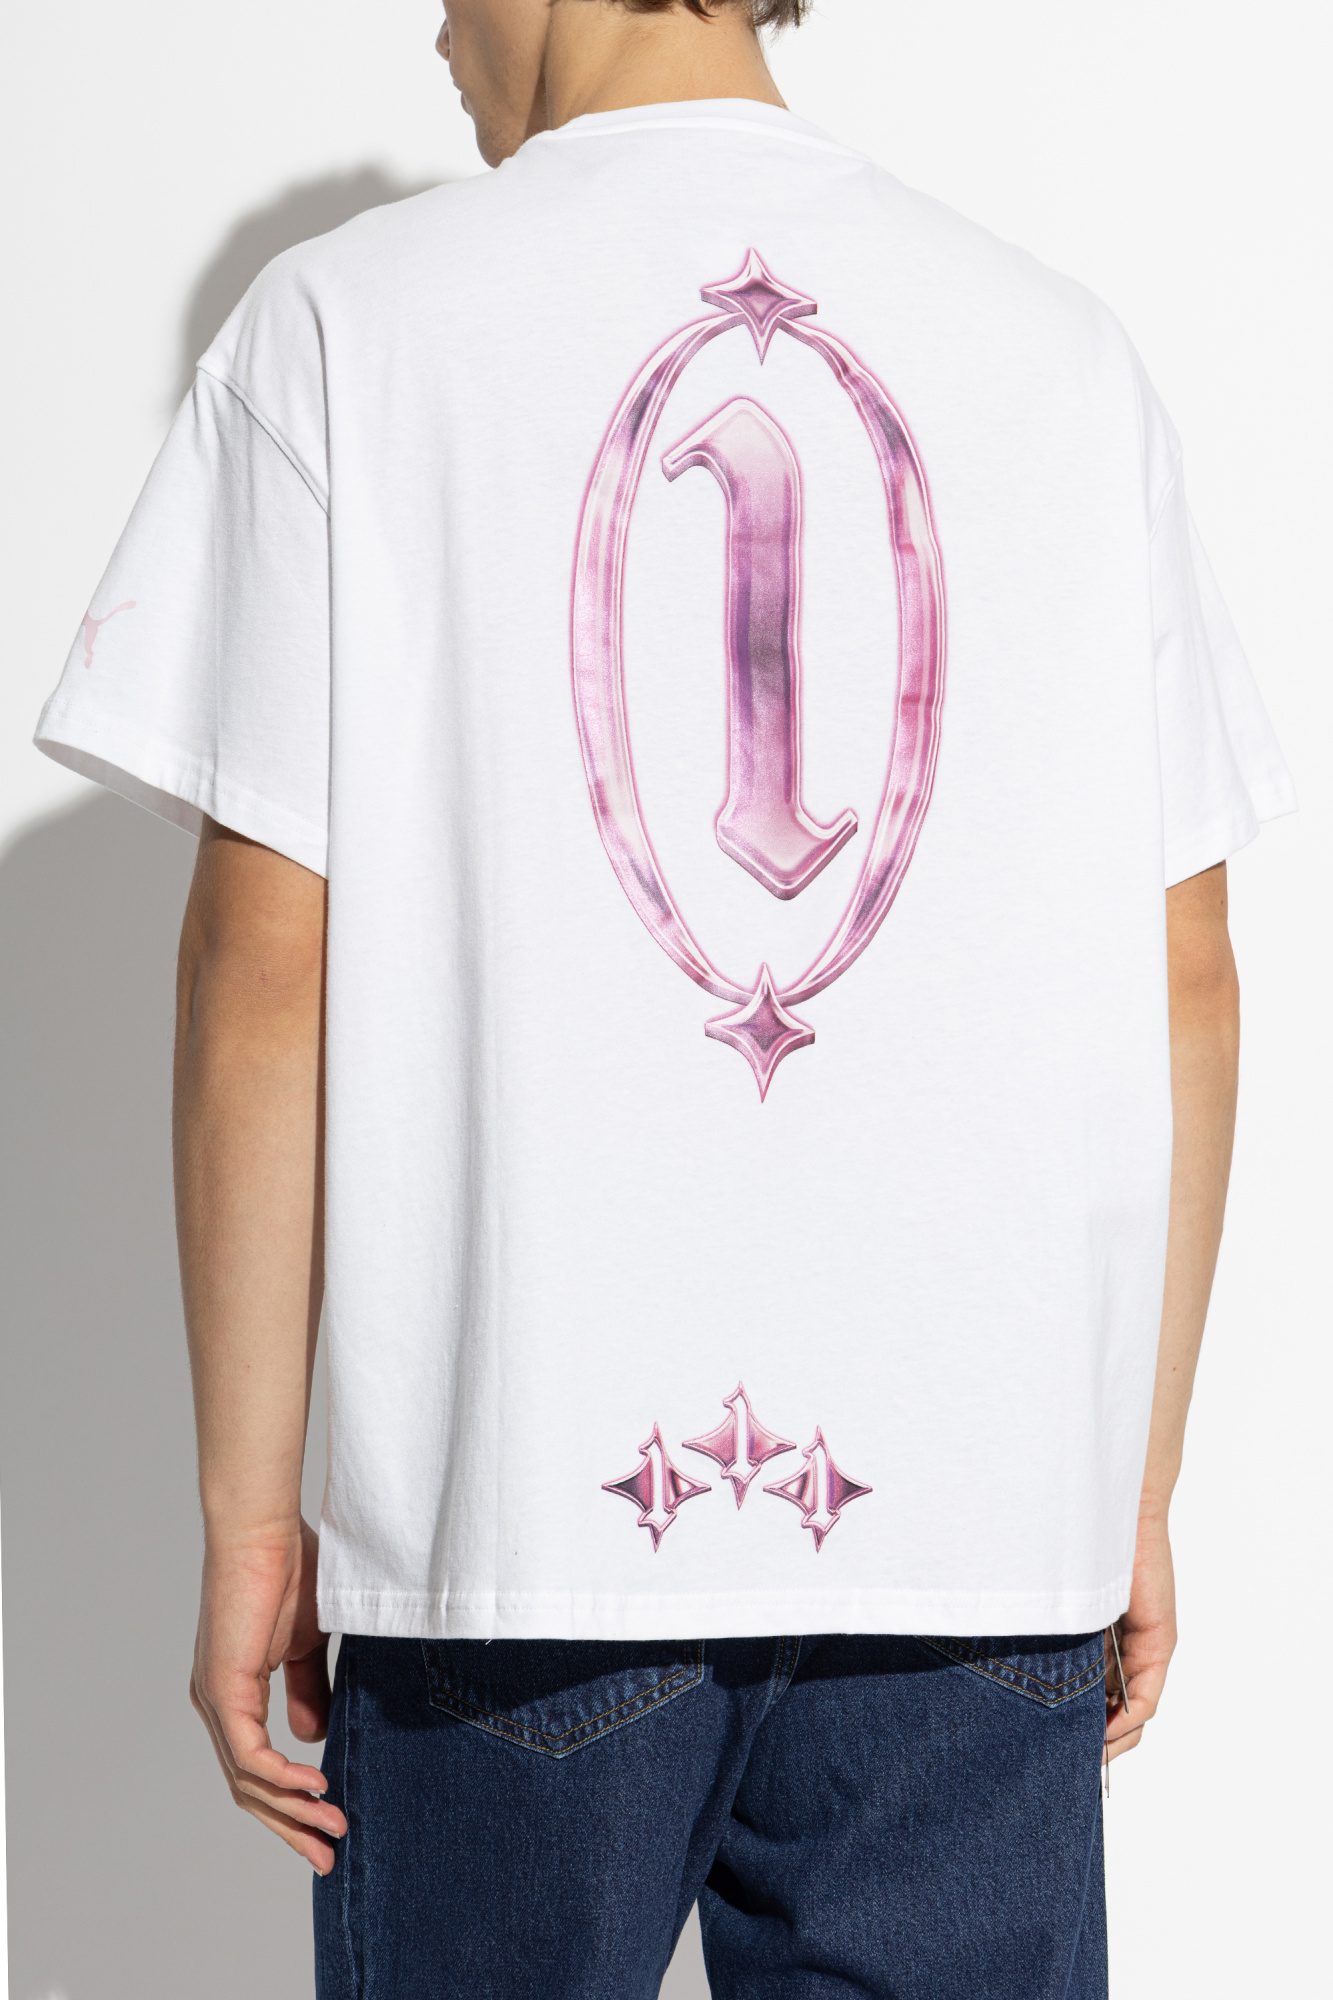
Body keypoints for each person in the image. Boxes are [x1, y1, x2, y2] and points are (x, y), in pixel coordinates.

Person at [34, 0, 1295, 1994]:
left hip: (515, 1525)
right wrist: (1121, 1487)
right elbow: (1185, 977)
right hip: (972, 1533)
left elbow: (266, 966)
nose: (434, 30)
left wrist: (251, 1519)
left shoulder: (348, 326)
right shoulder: (1063, 354)